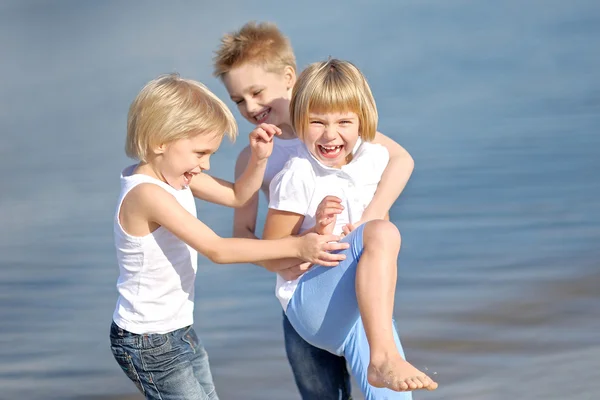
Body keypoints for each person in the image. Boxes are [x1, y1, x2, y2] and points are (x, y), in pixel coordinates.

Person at [109, 73, 350, 400]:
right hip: (148, 341)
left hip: (178, 330)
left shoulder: (175, 176)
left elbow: (238, 195)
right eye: (200, 153)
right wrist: (298, 245)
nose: (206, 165)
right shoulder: (147, 195)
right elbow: (218, 249)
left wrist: (259, 159)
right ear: (159, 141)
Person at [213, 21, 416, 399]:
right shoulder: (259, 157)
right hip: (303, 286)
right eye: (238, 100)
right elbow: (244, 234)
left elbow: (400, 159)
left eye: (257, 92)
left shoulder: (344, 130)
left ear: (289, 77)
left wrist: (373, 215)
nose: (251, 107)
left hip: (356, 281)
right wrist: (293, 253)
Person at [262, 59, 439, 399]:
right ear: (299, 121)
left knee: (395, 396)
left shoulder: (372, 157)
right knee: (382, 233)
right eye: (317, 122)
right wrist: (315, 241)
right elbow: (270, 258)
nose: (330, 134)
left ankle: (383, 358)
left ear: (362, 122)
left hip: (360, 308)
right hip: (310, 304)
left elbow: (403, 162)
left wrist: (368, 217)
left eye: (344, 121)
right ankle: (383, 357)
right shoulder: (298, 175)